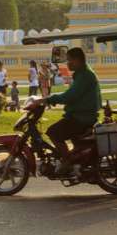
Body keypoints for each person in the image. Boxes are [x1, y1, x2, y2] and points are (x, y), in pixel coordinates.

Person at [32, 47, 101, 175]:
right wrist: (48, 99)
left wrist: (46, 100)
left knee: (53, 132)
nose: (67, 63)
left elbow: (69, 96)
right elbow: (71, 95)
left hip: (81, 118)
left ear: (78, 60)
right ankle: (73, 160)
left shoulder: (85, 75)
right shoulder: (83, 73)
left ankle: (68, 162)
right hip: (80, 115)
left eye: (69, 60)